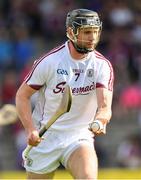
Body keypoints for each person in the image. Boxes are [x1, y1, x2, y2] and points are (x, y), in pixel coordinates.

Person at [16, 9, 114, 180]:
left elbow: (105, 107)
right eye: (86, 32)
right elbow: (22, 96)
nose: (92, 37)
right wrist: (30, 130)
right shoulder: (50, 62)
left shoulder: (101, 65)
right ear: (71, 32)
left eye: (95, 32)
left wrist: (100, 120)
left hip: (78, 136)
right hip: (45, 137)